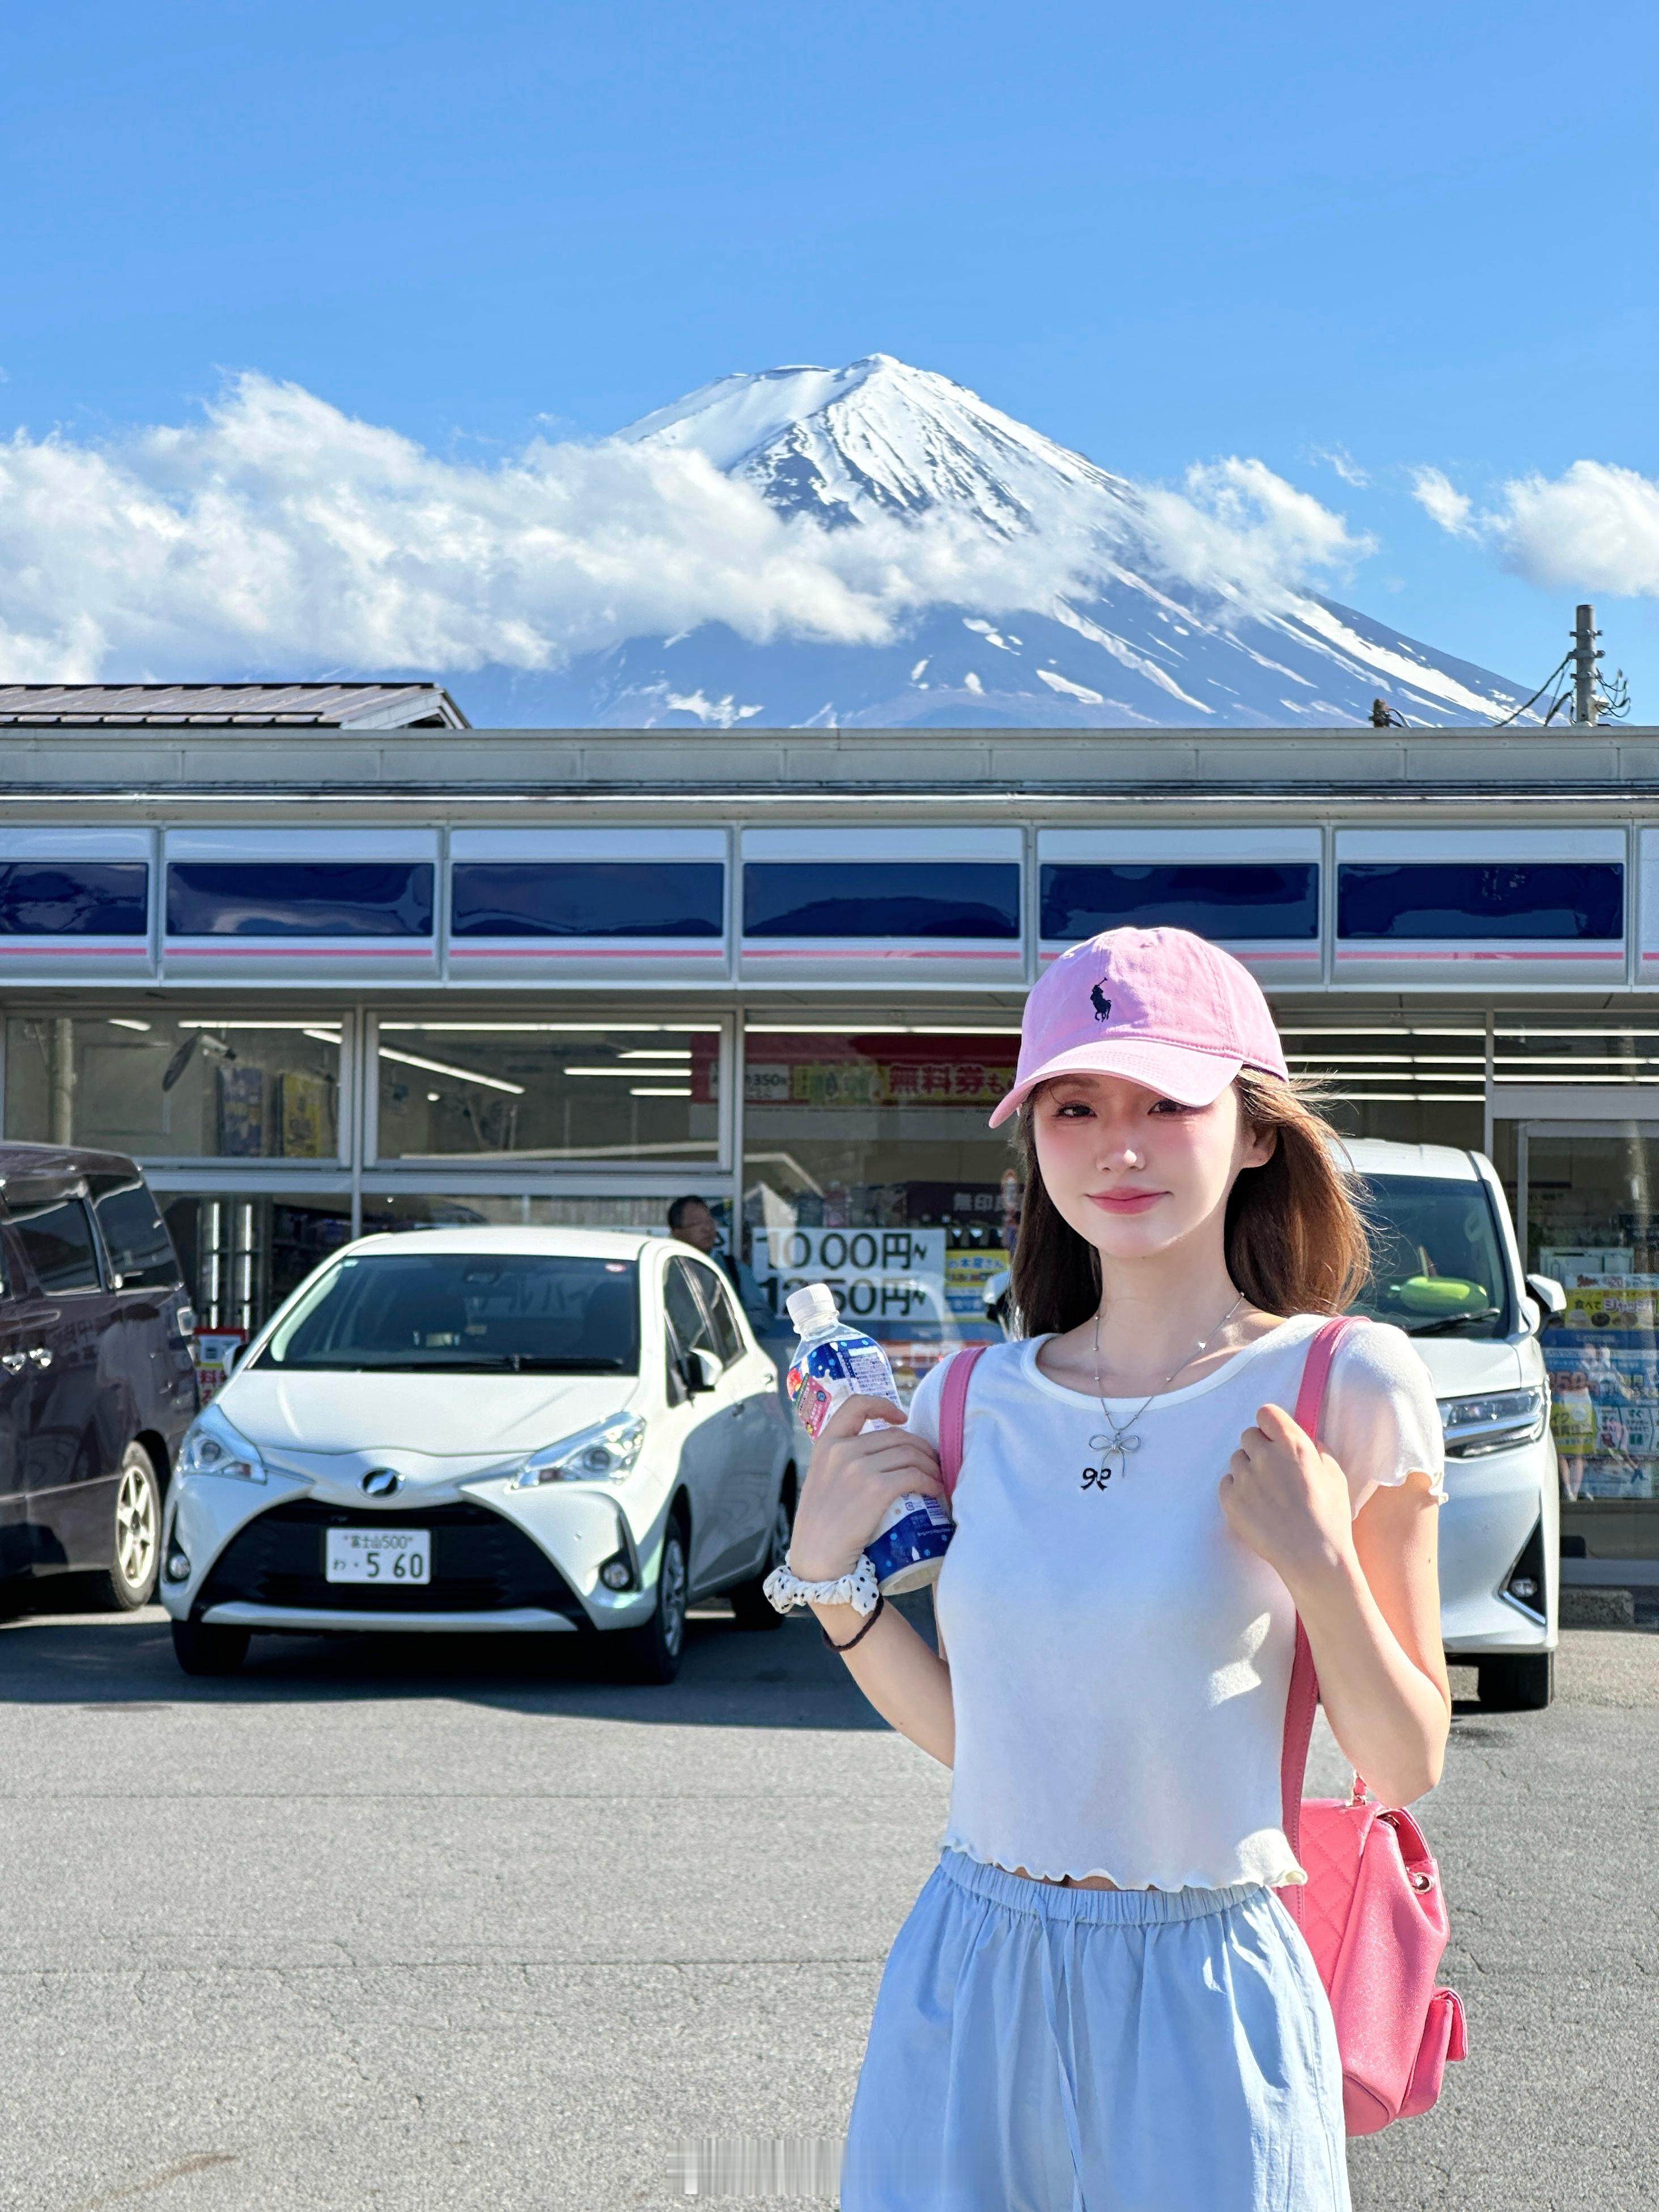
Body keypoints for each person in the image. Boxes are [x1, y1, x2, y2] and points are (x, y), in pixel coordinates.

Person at [774, 927, 1451, 2211]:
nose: (1117, 1145)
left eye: (1165, 1102)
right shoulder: (976, 1396)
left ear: (1254, 1130)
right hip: (969, 1963)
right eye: (1073, 1105)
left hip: (1205, 1976)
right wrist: (832, 1579)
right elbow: (987, 1744)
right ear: (1032, 1135)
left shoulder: (1343, 1380)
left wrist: (1316, 1563)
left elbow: (1406, 1757)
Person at [667, 1194, 777, 1334]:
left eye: (709, 1221)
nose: (707, 1228)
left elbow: (762, 1315)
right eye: (696, 1223)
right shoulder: (664, 1271)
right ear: (677, 1232)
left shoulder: (733, 1268)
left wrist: (731, 1329)